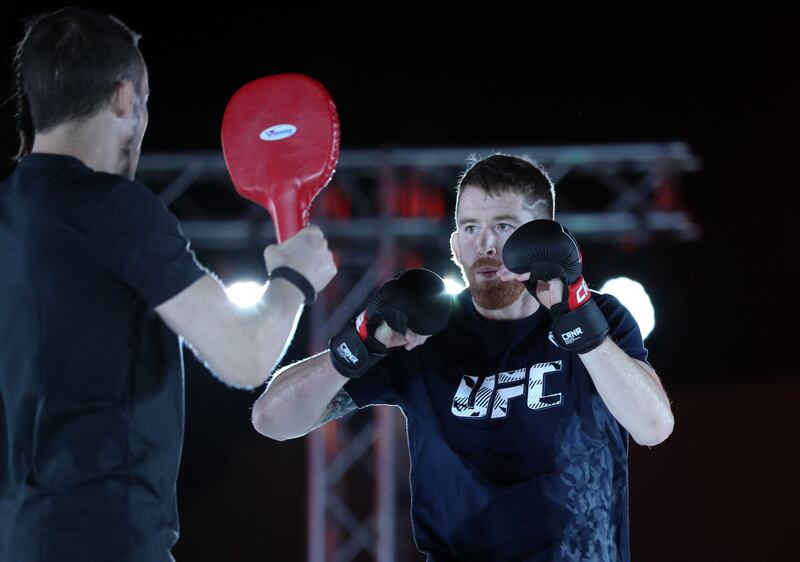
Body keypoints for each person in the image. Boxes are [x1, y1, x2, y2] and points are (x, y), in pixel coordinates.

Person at [0, 7, 336, 561]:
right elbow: (246, 357)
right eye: (146, 102)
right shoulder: (111, 208)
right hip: (107, 543)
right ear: (125, 98)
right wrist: (295, 277)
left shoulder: (12, 214)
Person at [252, 154, 674, 561]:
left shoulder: (601, 317)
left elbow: (653, 427)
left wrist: (582, 325)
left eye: (504, 226)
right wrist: (360, 344)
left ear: (541, 237)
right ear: (455, 242)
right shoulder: (423, 334)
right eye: (470, 227)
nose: (485, 244)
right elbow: (271, 419)